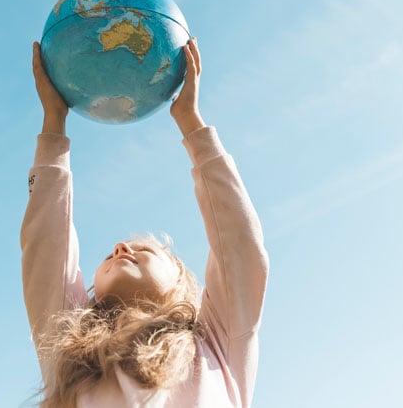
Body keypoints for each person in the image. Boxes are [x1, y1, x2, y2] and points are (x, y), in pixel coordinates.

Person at [22, 38, 269, 407]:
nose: (122, 248)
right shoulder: (68, 346)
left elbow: (239, 248)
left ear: (182, 284)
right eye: (113, 252)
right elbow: (46, 248)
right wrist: (53, 124)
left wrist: (191, 122)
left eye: (144, 249)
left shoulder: (217, 343)